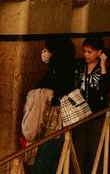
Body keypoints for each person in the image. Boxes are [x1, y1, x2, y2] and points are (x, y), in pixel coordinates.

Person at [31, 36, 76, 174]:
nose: (44, 52)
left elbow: (52, 91)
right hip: (58, 121)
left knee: (44, 160)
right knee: (53, 159)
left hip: (54, 121)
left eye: (47, 49)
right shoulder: (64, 66)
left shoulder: (60, 69)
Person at [73, 36, 110, 172]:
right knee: (78, 149)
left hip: (97, 113)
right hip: (79, 113)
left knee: (96, 149)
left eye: (89, 52)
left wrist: (103, 66)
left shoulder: (107, 68)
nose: (86, 55)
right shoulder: (79, 66)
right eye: (84, 51)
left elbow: (105, 90)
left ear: (99, 52)